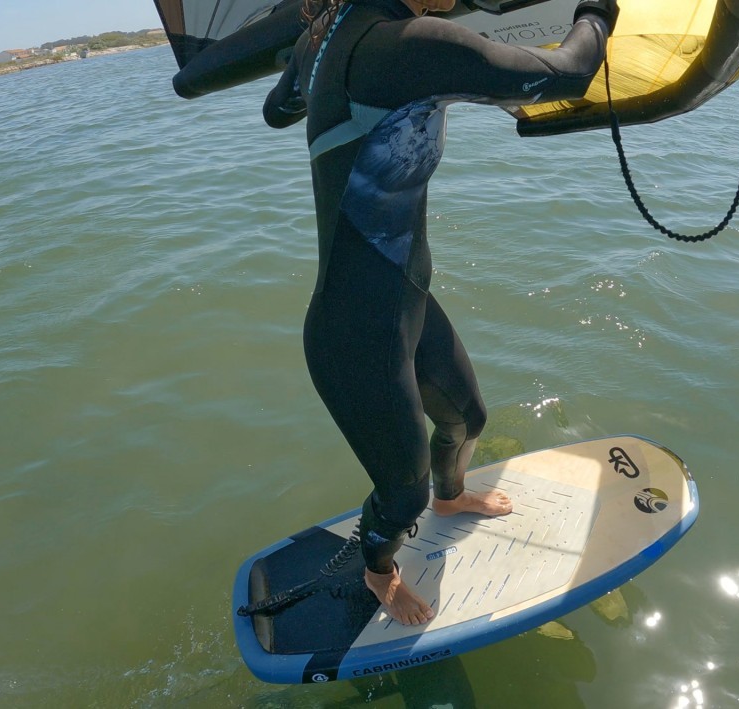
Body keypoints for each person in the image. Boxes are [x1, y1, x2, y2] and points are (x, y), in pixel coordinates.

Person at [262, 0, 619, 625]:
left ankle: (451, 500)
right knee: (403, 494)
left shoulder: (322, 43)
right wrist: (597, 9)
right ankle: (379, 573)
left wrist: (316, 75)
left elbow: (276, 110)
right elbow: (570, 73)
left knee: (467, 419)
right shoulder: (410, 45)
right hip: (352, 332)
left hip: (405, 300)